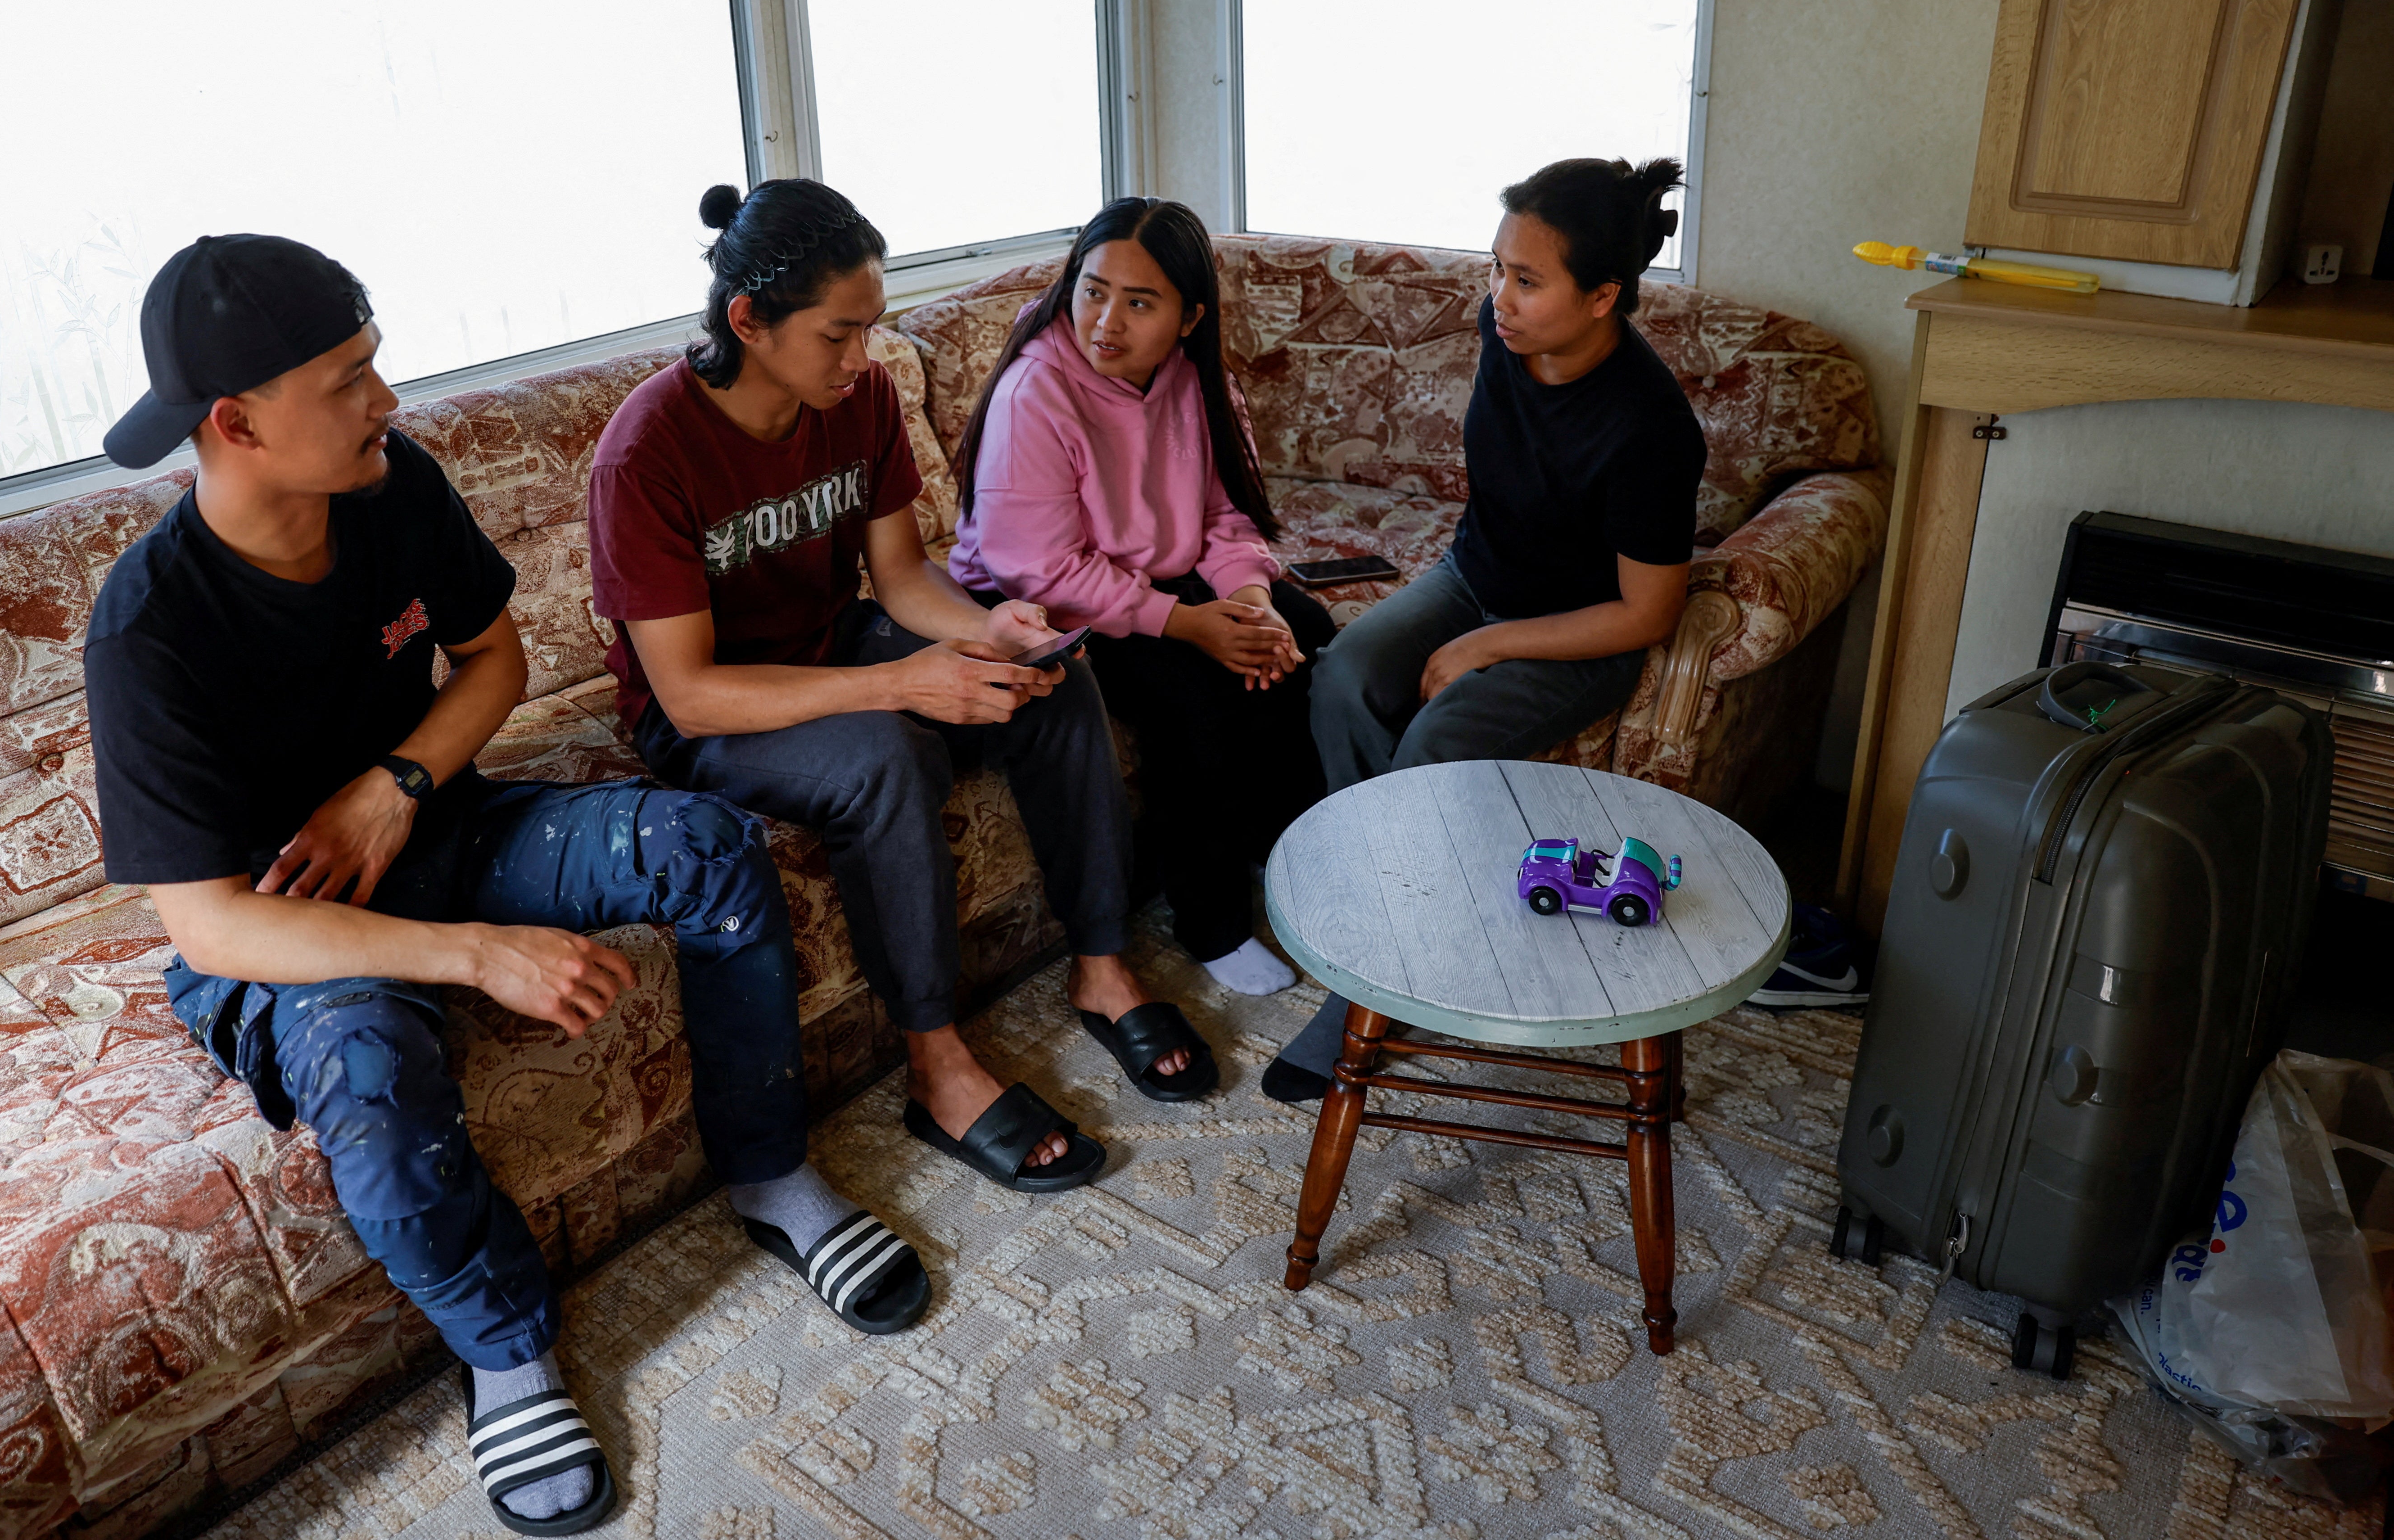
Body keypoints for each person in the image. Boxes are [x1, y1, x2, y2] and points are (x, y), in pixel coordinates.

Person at [84, 236, 916, 1536]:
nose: (388, 399)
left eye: (375, 364)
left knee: (704, 845)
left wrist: (396, 783)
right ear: (236, 422)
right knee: (368, 1073)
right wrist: (479, 952)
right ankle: (505, 1347)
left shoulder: (392, 484)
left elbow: (494, 660)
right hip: (287, 927)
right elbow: (207, 922)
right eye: (350, 380)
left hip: (446, 826)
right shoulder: (149, 627)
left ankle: (768, 1171)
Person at [588, 179, 1218, 1199]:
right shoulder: (648, 452)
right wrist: (899, 683)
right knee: (884, 756)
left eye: (870, 328)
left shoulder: (862, 397)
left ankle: (1102, 966)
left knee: (1049, 677)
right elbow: (692, 694)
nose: (861, 357)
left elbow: (900, 577)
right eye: (838, 335)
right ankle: (936, 1062)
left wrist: (990, 631)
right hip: (712, 710)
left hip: (834, 642)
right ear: (747, 321)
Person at [1270, 157, 1705, 1102]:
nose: (1498, 297)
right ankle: (1383, 906)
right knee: (1344, 674)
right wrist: (1471, 620)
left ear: (1603, 297)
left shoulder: (1650, 429)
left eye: (1527, 280)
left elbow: (1648, 612)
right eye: (1496, 268)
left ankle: (1372, 984)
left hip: (1580, 631)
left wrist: (1489, 644)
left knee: (1440, 739)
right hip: (1474, 574)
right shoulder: (1502, 333)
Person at [949, 197, 1332, 997]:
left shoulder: (1199, 380)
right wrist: (1188, 624)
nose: (1106, 322)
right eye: (1092, 291)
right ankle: (1211, 923)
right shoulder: (1035, 393)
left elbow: (1227, 515)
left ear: (1190, 318)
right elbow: (1038, 568)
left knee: (1298, 634)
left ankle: (1281, 846)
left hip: (1158, 580)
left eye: (1139, 302)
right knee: (1195, 696)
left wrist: (1252, 602)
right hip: (1047, 606)